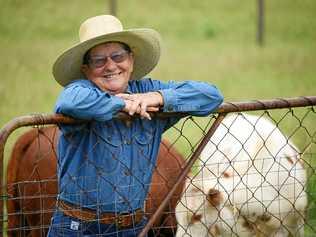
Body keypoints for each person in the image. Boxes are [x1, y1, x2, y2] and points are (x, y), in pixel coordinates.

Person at [48, 15, 223, 237]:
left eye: (118, 56)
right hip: (79, 226)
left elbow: (211, 95)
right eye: (99, 60)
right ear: (86, 69)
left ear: (131, 59)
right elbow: (69, 102)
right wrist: (125, 103)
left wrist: (158, 97)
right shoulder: (81, 89)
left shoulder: (147, 89)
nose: (110, 66)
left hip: (133, 227)